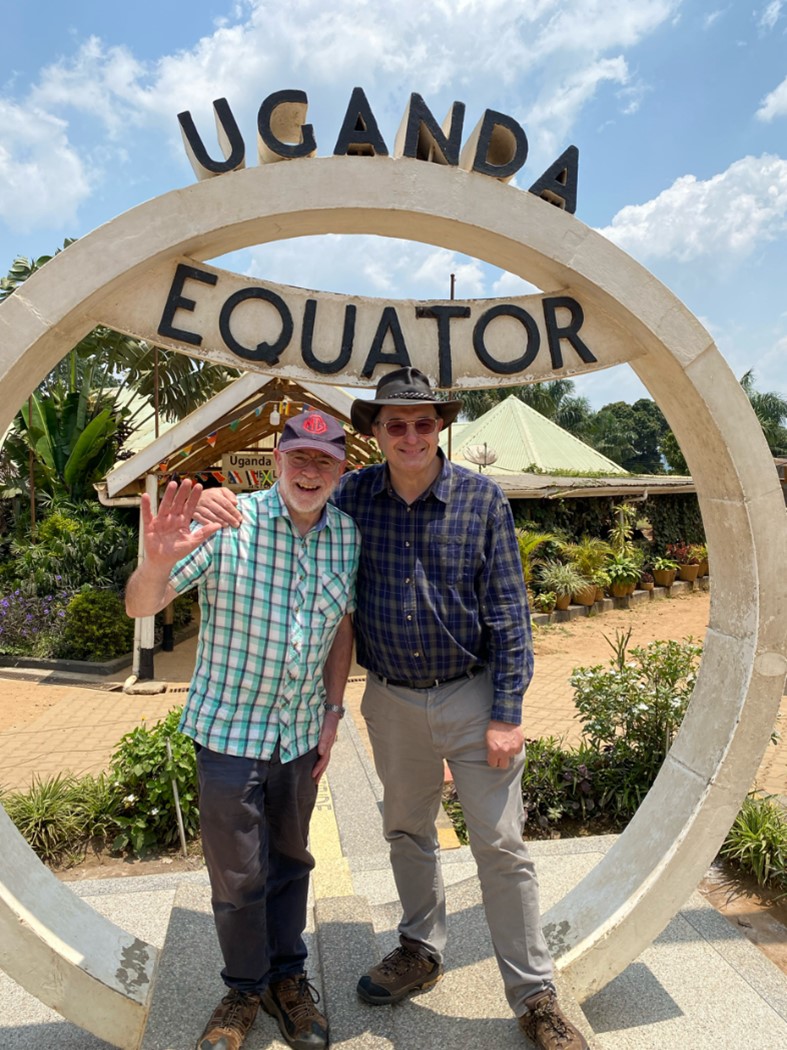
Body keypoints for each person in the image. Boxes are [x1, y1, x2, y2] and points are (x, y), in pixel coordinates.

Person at [196, 370, 589, 1050]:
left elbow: (508, 615)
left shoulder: (480, 499)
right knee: (406, 831)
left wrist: (506, 711)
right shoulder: (351, 495)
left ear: (441, 427)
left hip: (472, 694)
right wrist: (218, 504)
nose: (410, 435)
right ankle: (418, 947)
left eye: (423, 422)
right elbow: (290, 504)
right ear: (375, 434)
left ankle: (534, 995)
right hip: (392, 699)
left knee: (500, 844)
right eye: (394, 424)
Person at [126, 408, 360, 1050]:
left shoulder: (347, 535)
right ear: (278, 459)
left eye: (325, 460)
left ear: (341, 470)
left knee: (291, 861)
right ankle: (242, 989)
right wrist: (154, 564)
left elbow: (342, 627)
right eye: (299, 457)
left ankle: (288, 980)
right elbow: (144, 605)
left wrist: (333, 712)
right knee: (236, 877)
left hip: (300, 735)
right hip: (229, 734)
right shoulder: (227, 522)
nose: (310, 471)